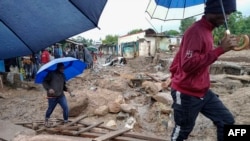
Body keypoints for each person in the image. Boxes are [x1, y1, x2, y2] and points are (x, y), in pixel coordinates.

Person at [161, 0, 237, 141]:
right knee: (182, 131)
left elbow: (200, 57)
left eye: (230, 14)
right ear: (214, 10)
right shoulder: (196, 31)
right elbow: (188, 65)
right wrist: (220, 50)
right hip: (187, 93)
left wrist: (221, 46)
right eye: (226, 13)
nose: (228, 18)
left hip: (202, 91)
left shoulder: (208, 31)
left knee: (227, 121)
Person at [42, 63, 70, 127]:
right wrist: (49, 89)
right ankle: (46, 120)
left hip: (61, 95)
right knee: (50, 109)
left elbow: (63, 86)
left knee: (66, 108)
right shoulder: (51, 74)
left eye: (63, 68)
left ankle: (66, 121)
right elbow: (44, 82)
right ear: (58, 68)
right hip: (52, 96)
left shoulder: (63, 75)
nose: (63, 70)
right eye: (61, 68)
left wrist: (66, 89)